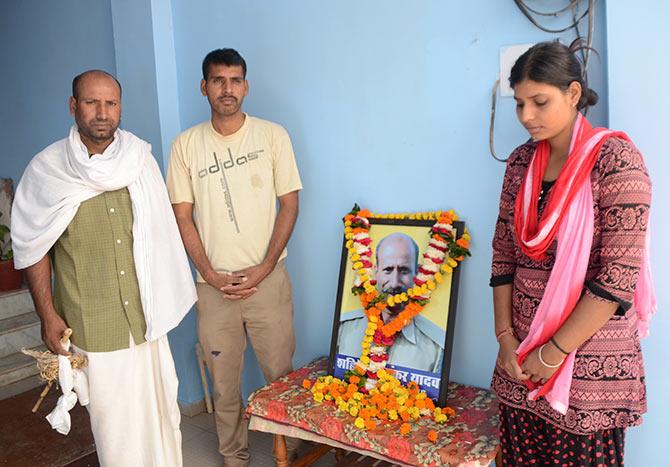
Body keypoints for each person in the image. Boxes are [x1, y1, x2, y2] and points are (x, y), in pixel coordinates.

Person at [11, 70, 196, 466]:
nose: (102, 112)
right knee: (113, 429)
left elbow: (160, 235)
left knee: (161, 413)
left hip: (144, 317)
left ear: (120, 108)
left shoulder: (139, 161)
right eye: (92, 102)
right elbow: (32, 248)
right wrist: (47, 314)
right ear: (73, 106)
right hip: (93, 324)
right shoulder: (48, 170)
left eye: (111, 103)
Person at [490, 41, 655, 466]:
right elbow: (503, 255)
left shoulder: (616, 161)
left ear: (574, 93)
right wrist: (506, 339)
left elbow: (618, 277)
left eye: (539, 102)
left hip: (588, 367)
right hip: (521, 360)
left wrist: (555, 352)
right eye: (520, 104)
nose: (527, 116)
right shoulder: (520, 163)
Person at [166, 48, 302, 466]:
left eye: (235, 80)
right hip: (213, 289)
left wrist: (262, 268)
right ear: (204, 87)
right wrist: (207, 272)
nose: (228, 89)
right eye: (218, 80)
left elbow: (290, 205)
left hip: (269, 281)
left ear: (246, 85)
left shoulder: (272, 135)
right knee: (224, 384)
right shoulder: (186, 145)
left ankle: (292, 450)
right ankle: (234, 456)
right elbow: (182, 216)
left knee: (280, 376)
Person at [338, 232, 445, 373]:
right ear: (376, 272)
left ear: (417, 274)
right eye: (388, 270)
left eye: (404, 270)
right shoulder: (344, 328)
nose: (394, 283)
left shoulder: (435, 347)